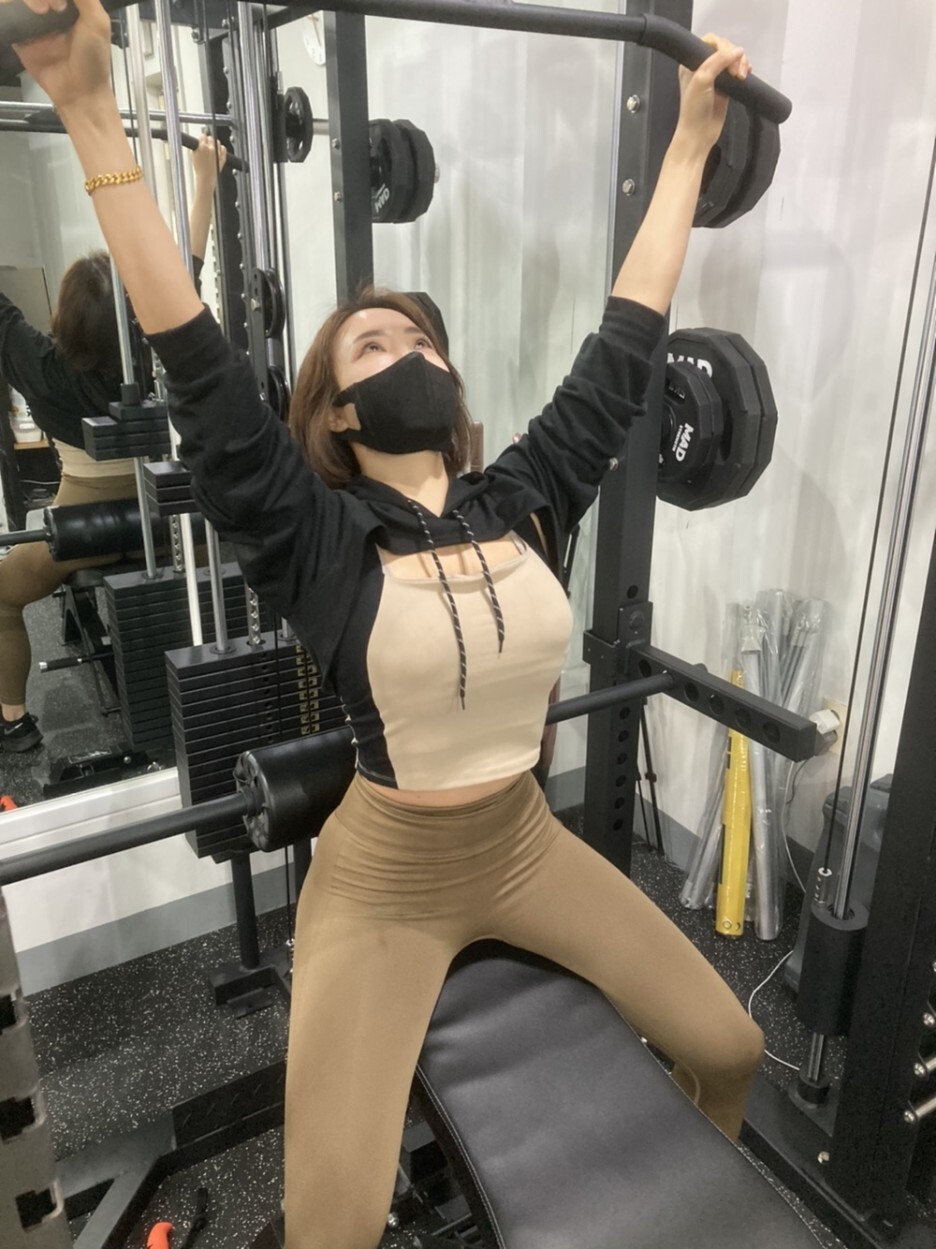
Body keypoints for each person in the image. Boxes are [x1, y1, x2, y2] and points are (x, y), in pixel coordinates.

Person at [10, 0, 766, 1244]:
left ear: (449, 382)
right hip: (382, 884)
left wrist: (689, 146)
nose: (407, 345)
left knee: (730, 1048)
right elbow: (193, 356)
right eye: (374, 341)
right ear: (338, 412)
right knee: (335, 1228)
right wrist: (90, 111)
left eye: (420, 335)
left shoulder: (524, 494)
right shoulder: (312, 532)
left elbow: (628, 341)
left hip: (525, 844)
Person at [0, 130, 225, 752]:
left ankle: (13, 722)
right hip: (174, 520)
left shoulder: (43, 367)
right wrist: (205, 180)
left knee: (1, 599)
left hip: (83, 527)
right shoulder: (160, 340)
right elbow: (184, 269)